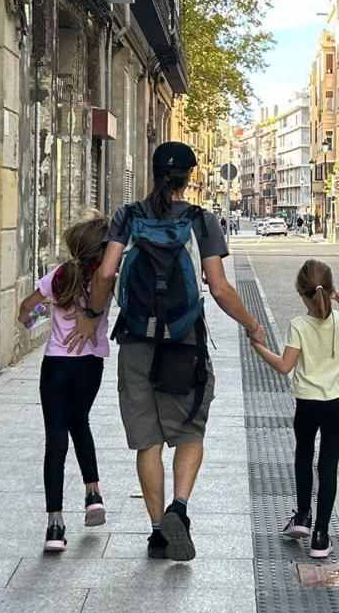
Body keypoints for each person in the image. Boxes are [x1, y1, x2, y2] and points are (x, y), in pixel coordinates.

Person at [69, 142, 267, 562]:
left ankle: (159, 532)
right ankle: (180, 507)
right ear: (190, 176)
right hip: (185, 342)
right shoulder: (202, 220)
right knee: (190, 432)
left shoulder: (127, 215)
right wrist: (252, 325)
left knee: (148, 440)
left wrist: (91, 315)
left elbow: (106, 272)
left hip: (137, 340)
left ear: (153, 172)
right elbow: (218, 287)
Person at [249, 259, 339, 559]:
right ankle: (321, 537)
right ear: (332, 290)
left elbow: (285, 366)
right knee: (328, 465)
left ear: (302, 293)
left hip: (307, 402)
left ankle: (301, 517)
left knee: (303, 455)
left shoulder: (299, 325)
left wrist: (257, 345)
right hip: (337, 403)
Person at [17, 214, 114, 553]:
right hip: (90, 365)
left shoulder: (58, 275)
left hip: (56, 364)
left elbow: (25, 311)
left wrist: (41, 318)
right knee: (80, 422)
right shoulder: (105, 280)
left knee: (55, 441)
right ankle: (93, 494)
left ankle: (55, 525)